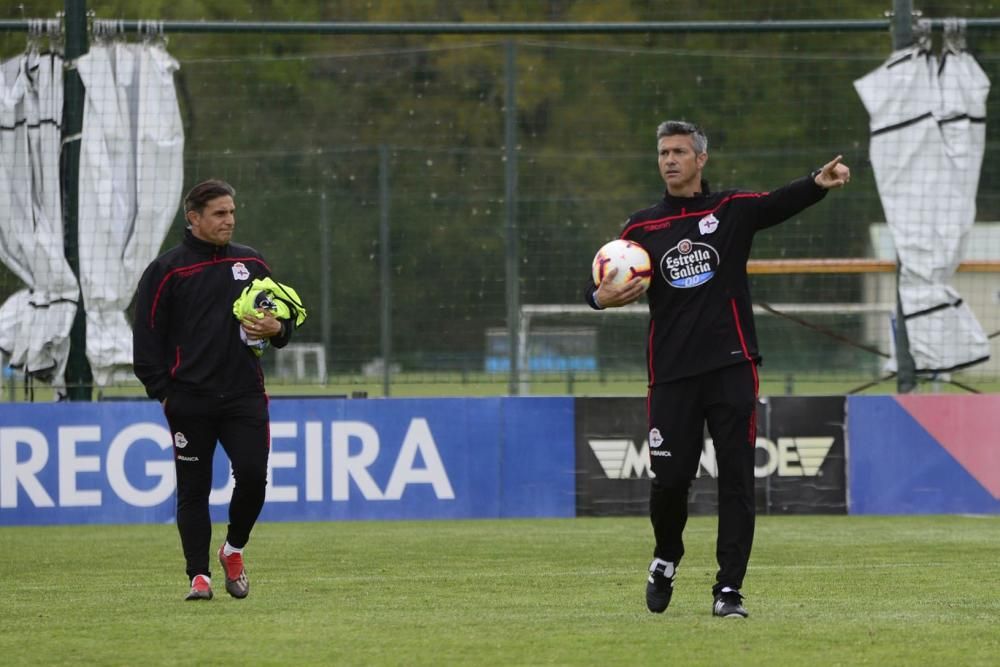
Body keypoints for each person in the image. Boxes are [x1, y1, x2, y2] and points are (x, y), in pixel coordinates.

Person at [585, 121, 849, 618]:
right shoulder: (639, 230)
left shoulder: (730, 210)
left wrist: (818, 182)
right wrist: (597, 299)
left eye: (680, 151)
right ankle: (667, 555)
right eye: (663, 151)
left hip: (732, 367)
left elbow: (777, 202)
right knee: (668, 481)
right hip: (671, 375)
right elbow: (602, 280)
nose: (669, 160)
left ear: (701, 159)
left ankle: (729, 590)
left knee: (735, 482)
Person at [133, 179, 294, 601]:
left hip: (244, 396)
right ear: (194, 219)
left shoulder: (251, 263)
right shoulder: (167, 271)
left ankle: (232, 550)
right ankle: (198, 576)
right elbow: (146, 341)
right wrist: (165, 392)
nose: (230, 220)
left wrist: (278, 328)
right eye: (220, 213)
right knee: (193, 488)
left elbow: (282, 318)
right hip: (190, 399)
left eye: (232, 212)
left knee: (255, 479)